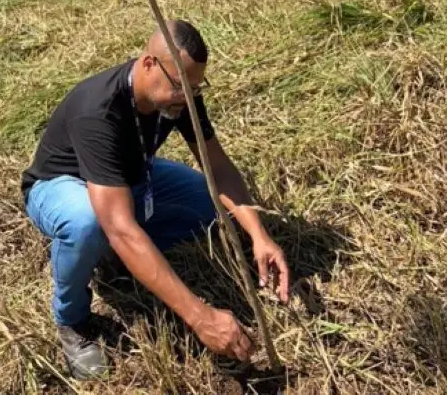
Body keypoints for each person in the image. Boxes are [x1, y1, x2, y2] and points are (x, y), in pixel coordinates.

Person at [20, 20, 292, 379]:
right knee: (90, 225)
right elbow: (120, 228)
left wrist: (259, 234)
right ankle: (71, 320)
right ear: (149, 64)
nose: (188, 96)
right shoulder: (98, 111)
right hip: (61, 184)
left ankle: (118, 259)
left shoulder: (181, 97)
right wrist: (200, 317)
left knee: (210, 207)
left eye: (196, 87)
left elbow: (218, 165)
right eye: (180, 86)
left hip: (129, 173)